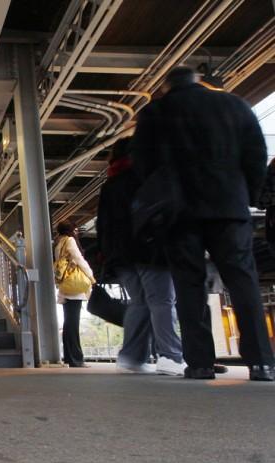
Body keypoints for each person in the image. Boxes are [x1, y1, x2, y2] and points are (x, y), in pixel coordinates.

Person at [132, 66, 274, 381]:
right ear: (200, 81)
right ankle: (262, 362)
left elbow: (141, 162)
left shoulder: (156, 111)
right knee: (242, 282)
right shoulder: (233, 105)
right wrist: (246, 195)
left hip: (180, 213)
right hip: (229, 207)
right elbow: (256, 154)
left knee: (188, 286)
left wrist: (160, 195)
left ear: (167, 86)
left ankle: (200, 363)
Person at [96, 138, 185, 376]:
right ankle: (170, 355)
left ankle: (131, 357)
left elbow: (102, 224)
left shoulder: (110, 183)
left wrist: (107, 254)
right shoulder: (146, 177)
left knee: (139, 301)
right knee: (162, 300)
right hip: (149, 249)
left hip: (121, 255)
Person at [54, 220, 94, 368]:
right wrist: (91, 276)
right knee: (73, 323)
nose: (76, 231)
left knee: (69, 322)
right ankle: (76, 359)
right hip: (74, 287)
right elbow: (79, 259)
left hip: (65, 285)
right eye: (75, 229)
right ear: (71, 230)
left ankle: (70, 357)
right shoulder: (69, 240)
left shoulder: (59, 243)